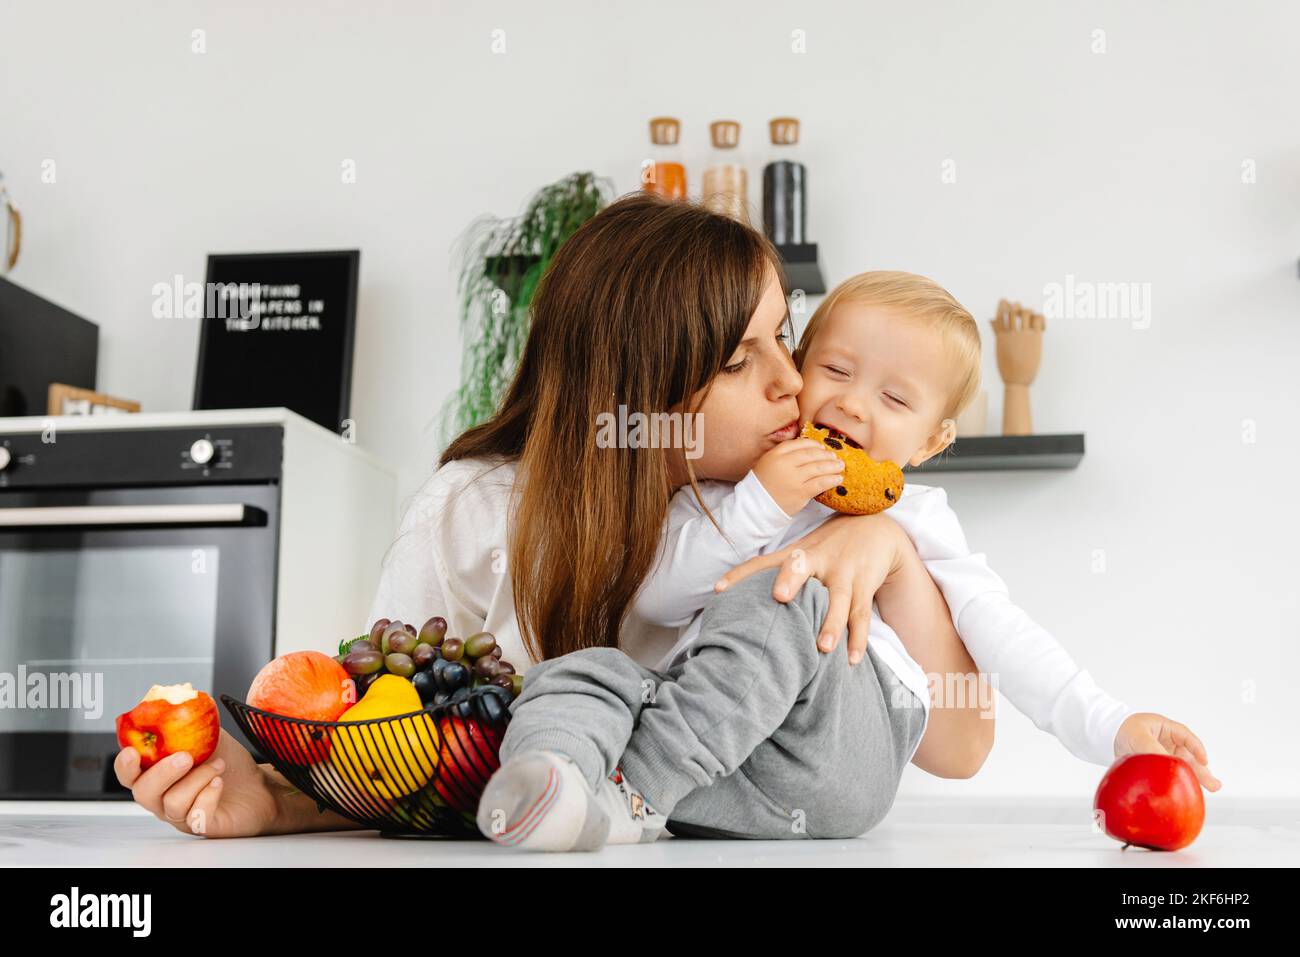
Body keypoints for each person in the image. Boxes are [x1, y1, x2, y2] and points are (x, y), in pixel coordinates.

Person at [113, 194, 991, 839]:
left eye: (784, 336)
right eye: (737, 359)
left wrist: (892, 548)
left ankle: (627, 794)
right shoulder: (472, 514)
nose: (794, 383)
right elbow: (398, 744)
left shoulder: (806, 520)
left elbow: (958, 746)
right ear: (635, 389)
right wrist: (273, 796)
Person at [479, 270, 1221, 851]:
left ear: (931, 443)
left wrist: (1115, 725)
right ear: (798, 371)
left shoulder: (919, 518)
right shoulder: (731, 491)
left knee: (789, 591)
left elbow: (1004, 633)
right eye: (835, 370)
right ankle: (555, 788)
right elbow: (658, 600)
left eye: (896, 398)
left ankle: (628, 794)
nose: (855, 405)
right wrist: (759, 505)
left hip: (840, 754)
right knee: (587, 668)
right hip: (718, 760)